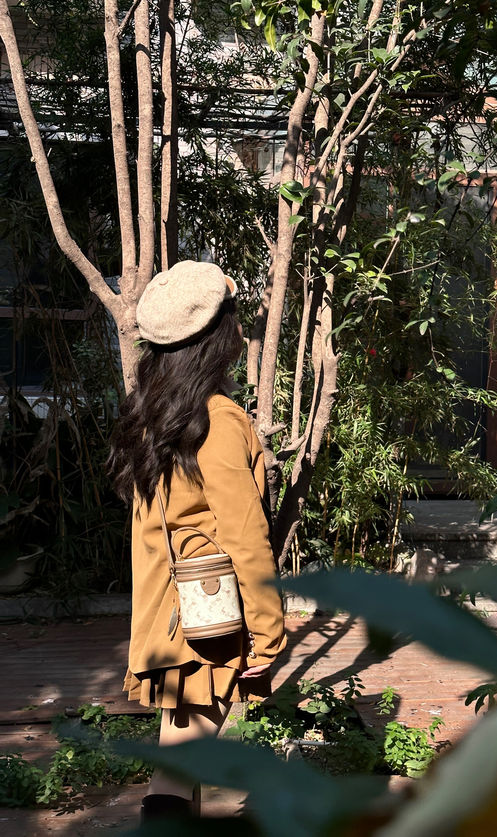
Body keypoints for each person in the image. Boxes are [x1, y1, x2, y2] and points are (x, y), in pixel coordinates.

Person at [107, 260, 287, 821]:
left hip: (165, 615)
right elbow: (245, 536)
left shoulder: (152, 415)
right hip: (209, 615)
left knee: (180, 760)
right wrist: (268, 632)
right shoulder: (217, 420)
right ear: (218, 337)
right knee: (190, 770)